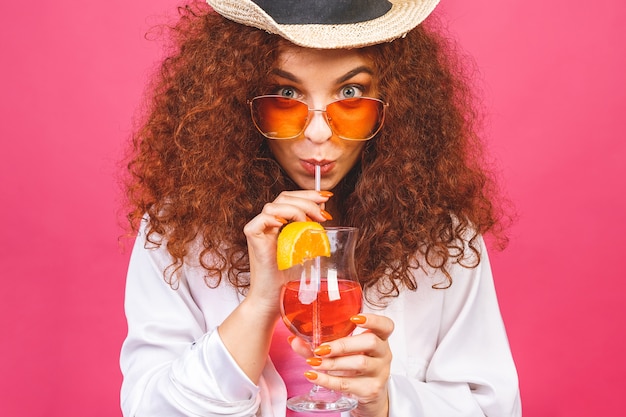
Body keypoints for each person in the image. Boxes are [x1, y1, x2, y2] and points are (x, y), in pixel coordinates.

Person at [120, 0, 522, 416]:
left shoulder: (441, 238)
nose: (317, 132)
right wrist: (260, 302)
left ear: (396, 101)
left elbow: (494, 408)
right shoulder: (177, 232)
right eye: (286, 94)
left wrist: (385, 403)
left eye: (350, 93)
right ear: (238, 100)